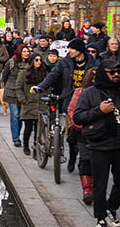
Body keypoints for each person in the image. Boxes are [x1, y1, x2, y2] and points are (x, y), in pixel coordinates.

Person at [72, 59, 120, 227]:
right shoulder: (90, 93)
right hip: (99, 145)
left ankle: (112, 207)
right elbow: (78, 117)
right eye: (112, 72)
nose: (116, 75)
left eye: (118, 72)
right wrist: (99, 111)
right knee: (100, 184)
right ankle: (101, 219)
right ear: (104, 73)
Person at [37, 39, 92, 172]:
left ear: (79, 50)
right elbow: (53, 75)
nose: (69, 51)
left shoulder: (92, 63)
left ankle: (83, 160)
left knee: (85, 134)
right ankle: (72, 157)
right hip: (70, 101)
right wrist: (41, 87)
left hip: (87, 102)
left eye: (72, 48)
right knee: (72, 134)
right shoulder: (65, 62)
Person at [17, 53, 49, 154]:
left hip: (41, 104)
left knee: (38, 130)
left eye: (40, 60)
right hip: (29, 104)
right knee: (28, 128)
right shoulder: (23, 73)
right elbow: (19, 88)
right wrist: (23, 100)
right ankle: (26, 146)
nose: (39, 62)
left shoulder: (45, 73)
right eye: (36, 60)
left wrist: (46, 98)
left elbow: (48, 87)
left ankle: (36, 148)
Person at [4, 44, 32, 146]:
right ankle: (15, 138)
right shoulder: (12, 62)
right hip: (12, 91)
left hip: (25, 92)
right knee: (15, 114)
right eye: (24, 51)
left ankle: (18, 134)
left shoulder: (31, 62)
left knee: (21, 115)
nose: (26, 53)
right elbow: (5, 75)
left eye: (27, 51)